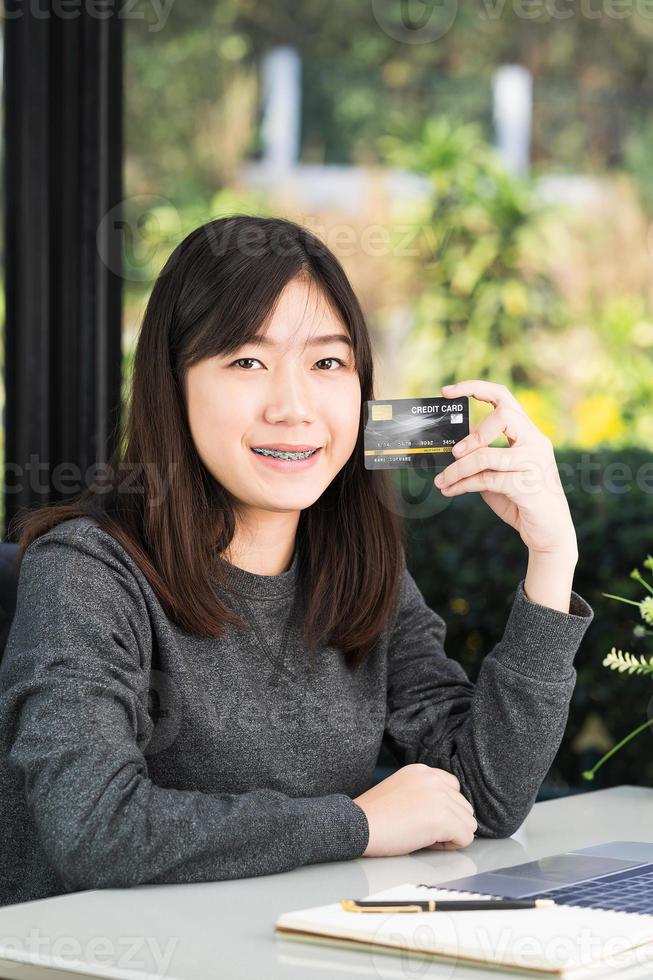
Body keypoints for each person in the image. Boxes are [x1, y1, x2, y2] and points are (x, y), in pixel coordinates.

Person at [0, 216, 593, 907]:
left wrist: (550, 558)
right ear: (174, 384)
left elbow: (483, 798)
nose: (293, 407)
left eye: (326, 363)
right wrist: (358, 823)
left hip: (282, 950)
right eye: (247, 362)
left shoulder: (356, 568)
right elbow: (96, 827)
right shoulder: (86, 572)